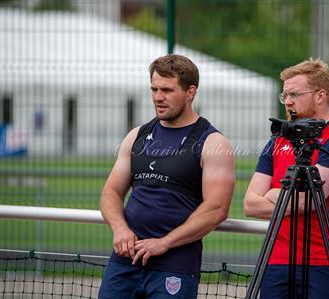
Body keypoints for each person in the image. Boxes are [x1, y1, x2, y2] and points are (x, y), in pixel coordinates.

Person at [98, 54, 235, 299]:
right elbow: (110, 192)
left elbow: (217, 208)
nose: (158, 97)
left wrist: (165, 242)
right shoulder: (137, 136)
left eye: (167, 90)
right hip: (124, 263)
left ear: (190, 92)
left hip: (175, 267)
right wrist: (120, 229)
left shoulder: (213, 143)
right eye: (154, 89)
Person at [244, 58, 329, 299]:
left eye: (295, 94)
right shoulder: (278, 141)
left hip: (326, 263)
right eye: (285, 95)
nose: (287, 102)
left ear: (321, 95)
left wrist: (273, 194)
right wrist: (288, 196)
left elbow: (306, 200)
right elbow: (250, 204)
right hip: (276, 260)